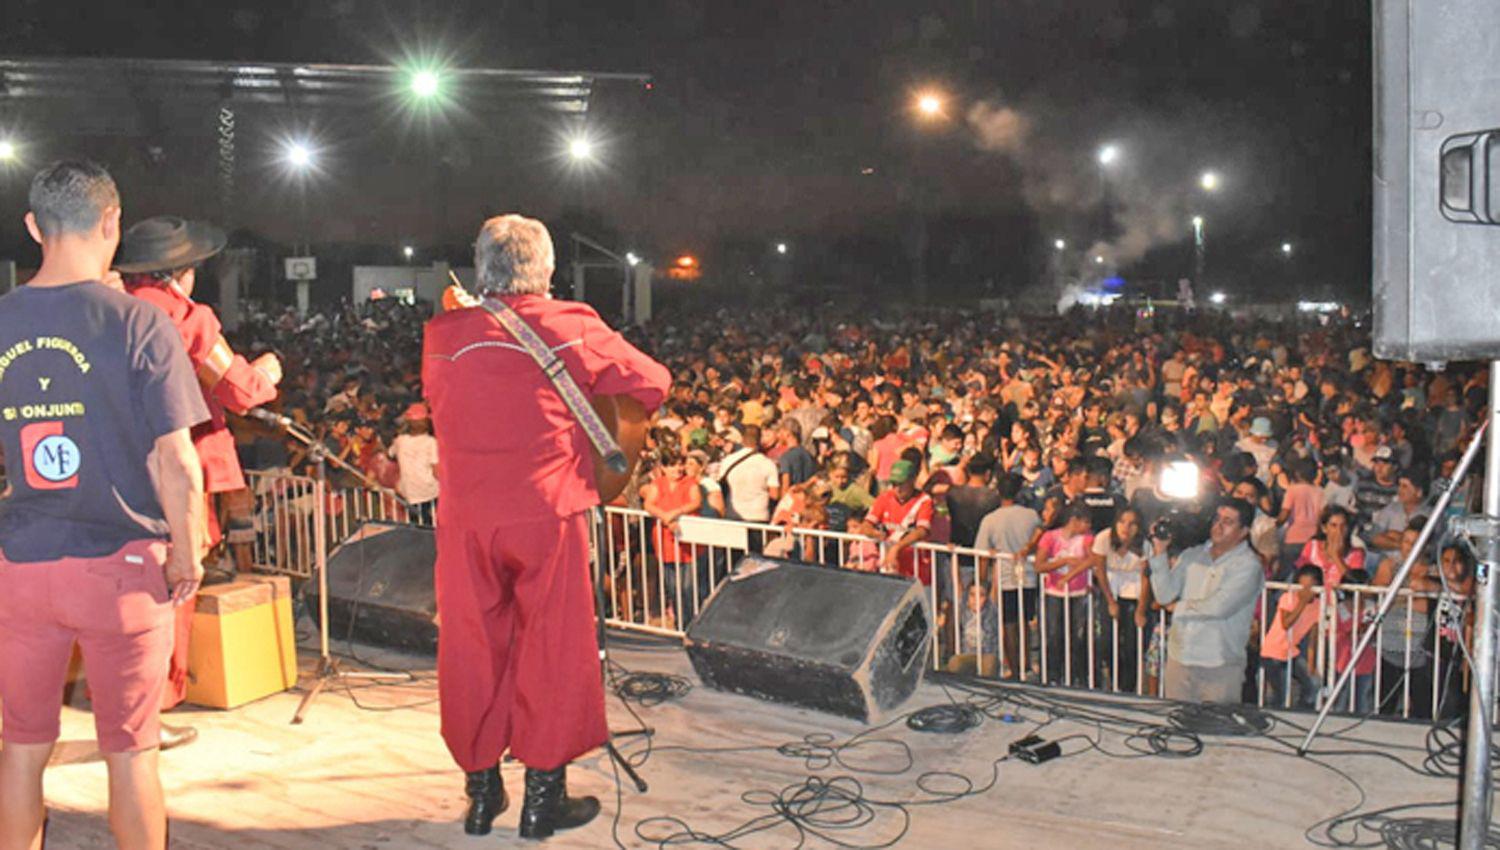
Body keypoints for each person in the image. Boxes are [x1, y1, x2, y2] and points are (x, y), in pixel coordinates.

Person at [422, 214, 670, 839]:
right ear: (547, 270)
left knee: (472, 650)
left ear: (482, 269)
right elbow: (653, 382)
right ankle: (542, 800)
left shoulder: (444, 333)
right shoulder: (571, 325)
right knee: (552, 650)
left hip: (465, 518)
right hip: (545, 513)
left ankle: (481, 797)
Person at [0, 160, 208, 850]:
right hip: (120, 570)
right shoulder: (140, 325)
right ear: (113, 223)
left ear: (34, 227)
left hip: (23, 569)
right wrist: (187, 551)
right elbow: (176, 461)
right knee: (130, 751)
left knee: (22, 748)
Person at [116, 215, 282, 746]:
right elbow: (238, 389)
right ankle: (154, 707)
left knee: (121, 584)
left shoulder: (108, 308)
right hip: (177, 467)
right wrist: (269, 373)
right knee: (177, 584)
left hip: (115, 464)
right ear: (179, 274)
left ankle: (118, 699)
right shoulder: (190, 319)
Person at [1147, 499, 1265, 703]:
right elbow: (1164, 595)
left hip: (1219, 664)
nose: (1218, 526)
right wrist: (1159, 552)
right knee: (1176, 727)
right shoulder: (1193, 555)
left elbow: (1219, 607)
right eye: (1217, 519)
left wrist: (1178, 608)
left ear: (1244, 530)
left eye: (1228, 522)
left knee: (1215, 731)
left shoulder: (1248, 565)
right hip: (1180, 658)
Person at [975, 473, 1041, 681]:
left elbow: (983, 554)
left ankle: (1014, 667)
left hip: (1004, 578)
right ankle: (1026, 665)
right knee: (1025, 621)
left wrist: (982, 581)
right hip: (1029, 576)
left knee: (1008, 623)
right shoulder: (1031, 515)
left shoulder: (991, 519)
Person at [1089, 507, 1152, 693]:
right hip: (1110, 588)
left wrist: (1141, 609)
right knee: (1107, 640)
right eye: (1122, 522)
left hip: (1135, 592)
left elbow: (1145, 578)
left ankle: (1128, 687)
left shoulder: (1144, 544)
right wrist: (1110, 601)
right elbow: (1099, 569)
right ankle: (1113, 679)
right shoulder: (1104, 538)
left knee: (1132, 644)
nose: (1126, 527)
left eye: (1132, 524)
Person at [1036, 501, 1095, 686]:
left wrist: (1071, 572)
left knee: (1077, 636)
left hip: (1078, 593)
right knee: (1053, 635)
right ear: (1074, 520)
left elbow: (1093, 560)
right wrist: (1064, 562)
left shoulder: (1087, 539)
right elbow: (1039, 565)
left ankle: (1076, 676)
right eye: (1085, 522)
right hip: (1054, 592)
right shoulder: (1050, 537)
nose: (1088, 526)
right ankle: (1053, 674)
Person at [1260, 565, 1324, 709]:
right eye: (1301, 586)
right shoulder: (1288, 598)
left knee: (1313, 683)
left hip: (1291, 652)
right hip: (1274, 652)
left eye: (1309, 587)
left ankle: (1303, 711)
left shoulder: (1319, 605)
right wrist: (1301, 602)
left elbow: (1313, 639)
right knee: (1280, 695)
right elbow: (1286, 623)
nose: (1304, 591)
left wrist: (1312, 665)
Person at [388, 402, 439, 525]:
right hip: (430, 492)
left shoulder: (400, 441)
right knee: (433, 526)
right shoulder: (431, 442)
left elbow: (390, 454)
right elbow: (436, 472)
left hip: (409, 493)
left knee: (417, 526)